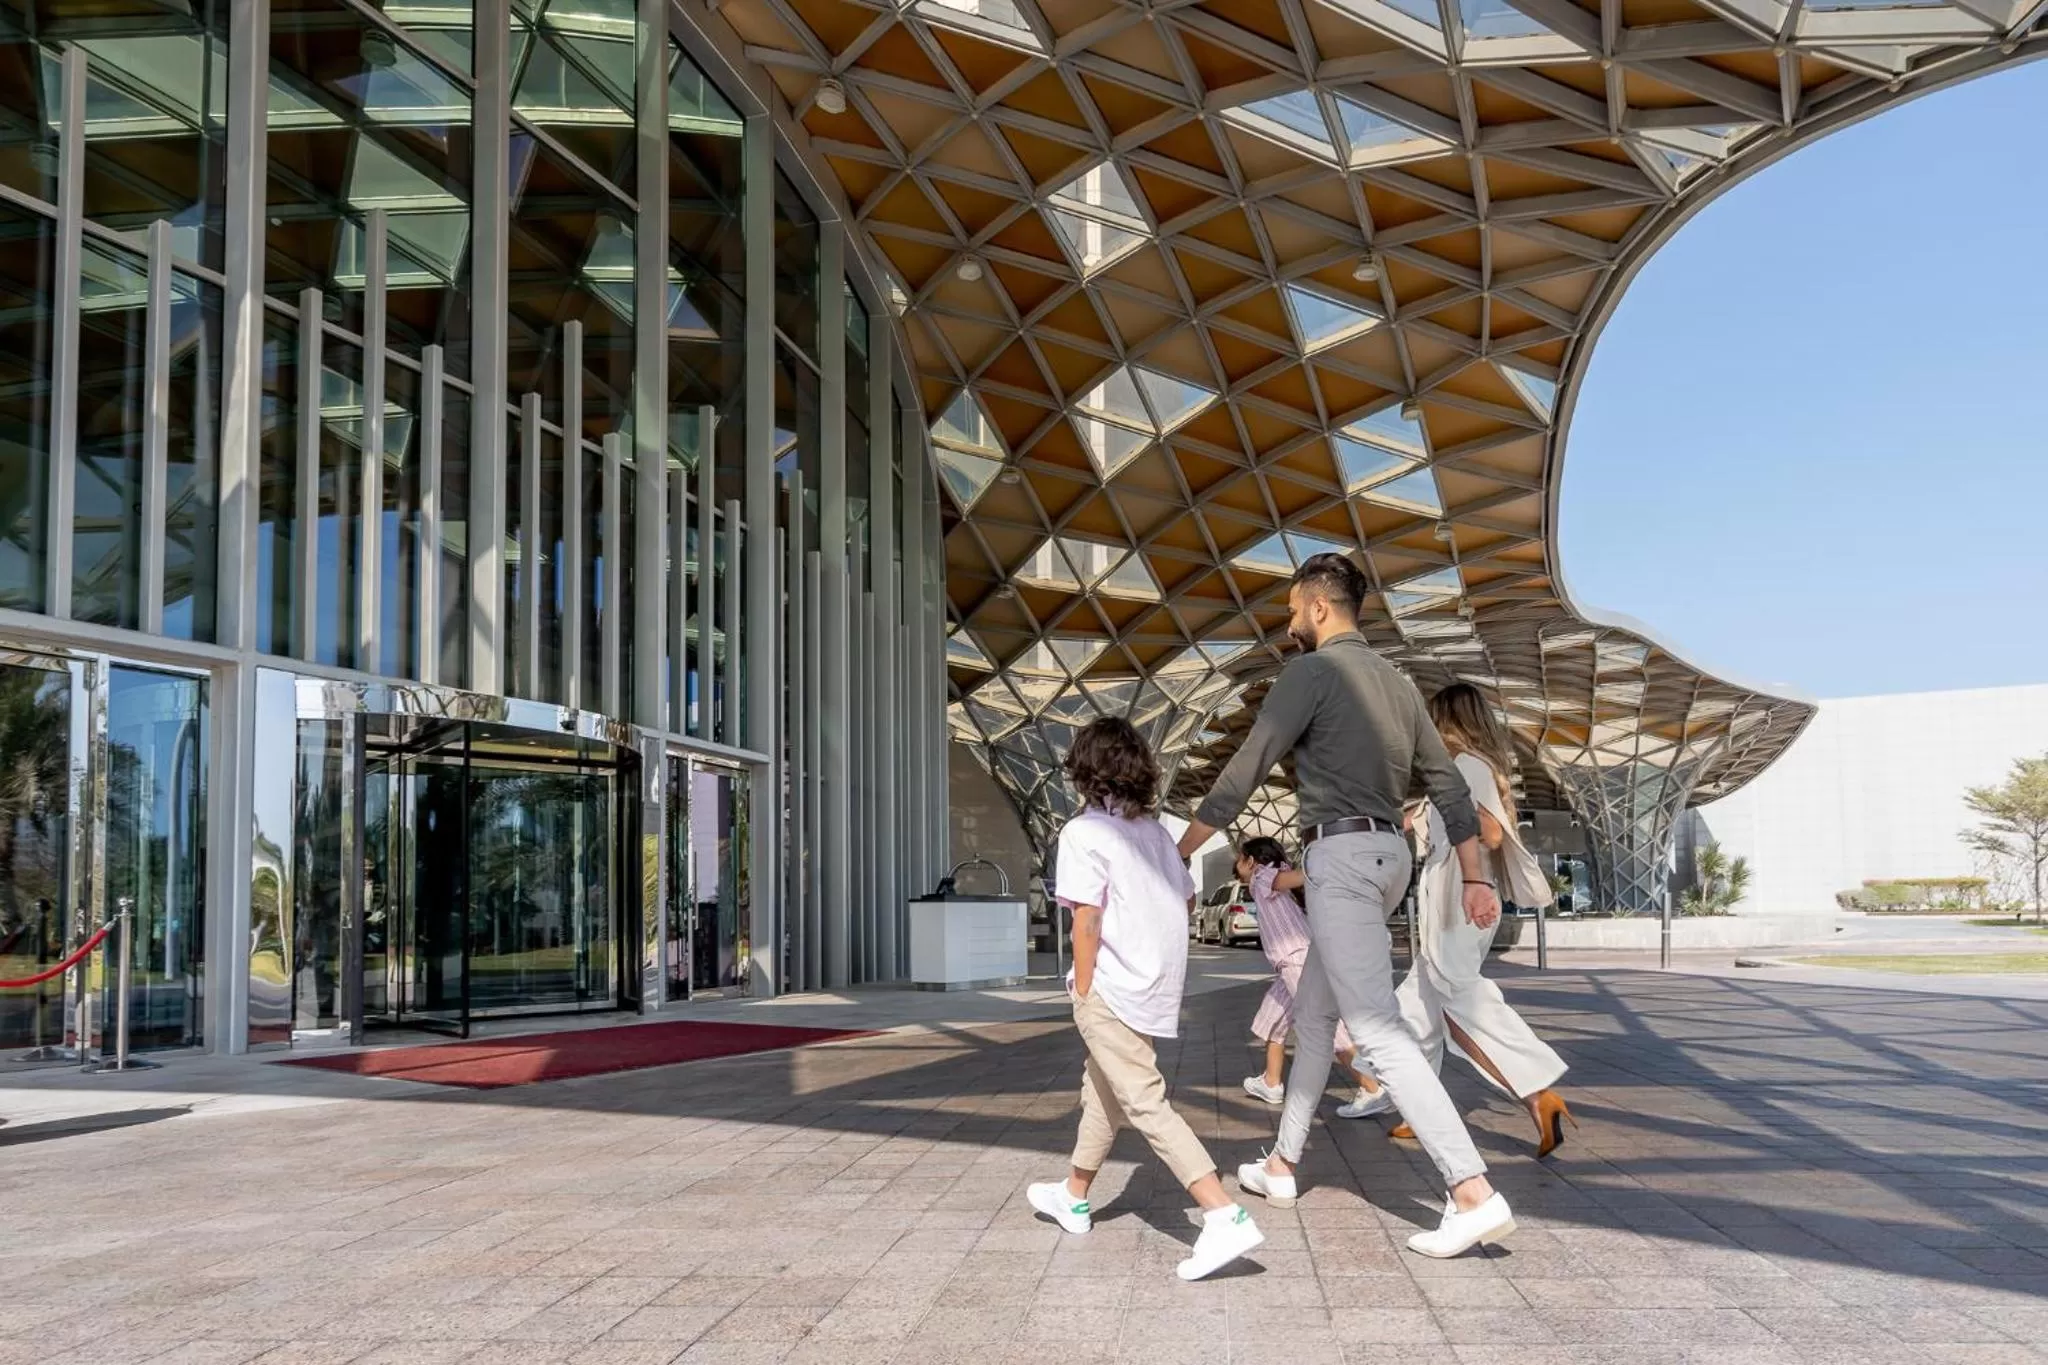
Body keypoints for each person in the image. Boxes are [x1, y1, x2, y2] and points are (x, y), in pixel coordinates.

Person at [1175, 552, 1515, 1259]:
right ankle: (1281, 1165)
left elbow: (1249, 762)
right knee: (1314, 1015)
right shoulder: (1398, 684)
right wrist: (1477, 877)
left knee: (1377, 1028)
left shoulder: (1312, 672)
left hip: (1343, 859)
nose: (1289, 620)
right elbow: (1449, 789)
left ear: (1321, 607)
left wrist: (1178, 850)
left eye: (1294, 607)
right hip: (1390, 856)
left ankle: (1471, 1190)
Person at [1026, 716, 1266, 1282]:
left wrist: (1082, 990)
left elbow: (1085, 921)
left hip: (1110, 987)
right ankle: (1075, 1195)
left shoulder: (1084, 833)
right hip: (1154, 986)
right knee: (1103, 1092)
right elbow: (1182, 904)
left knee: (1143, 1100)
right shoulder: (1157, 834)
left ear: (1086, 771)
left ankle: (1222, 1214)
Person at [1379, 684, 1576, 1157]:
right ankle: (1421, 1110)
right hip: (1451, 892)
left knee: (1460, 997)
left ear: (1447, 721)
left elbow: (1487, 832)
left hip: (1459, 894)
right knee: (1414, 1010)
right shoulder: (1464, 769)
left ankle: (1538, 1091)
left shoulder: (1468, 767)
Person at [1234, 838, 1386, 1118]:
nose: (1236, 864)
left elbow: (1295, 876)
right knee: (1273, 1018)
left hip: (1296, 960)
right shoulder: (1269, 877)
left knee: (1328, 1025)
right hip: (1293, 962)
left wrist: (1326, 863)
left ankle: (1372, 1088)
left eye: (1239, 858)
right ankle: (1271, 1082)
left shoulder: (1264, 875)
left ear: (1252, 861)